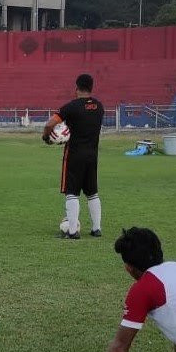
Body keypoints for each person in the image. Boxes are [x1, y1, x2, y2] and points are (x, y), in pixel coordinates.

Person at [42, 74, 104, 239]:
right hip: (92, 155)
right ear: (91, 87)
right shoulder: (99, 106)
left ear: (76, 87)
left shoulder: (71, 107)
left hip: (75, 155)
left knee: (72, 193)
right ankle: (96, 229)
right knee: (92, 193)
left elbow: (50, 124)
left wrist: (47, 138)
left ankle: (72, 231)